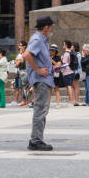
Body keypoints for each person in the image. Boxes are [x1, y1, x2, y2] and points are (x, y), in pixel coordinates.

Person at [23, 15, 56, 151]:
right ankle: (36, 140)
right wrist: (37, 69)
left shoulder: (41, 39)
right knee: (40, 109)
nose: (52, 28)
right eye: (51, 26)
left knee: (42, 109)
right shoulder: (37, 39)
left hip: (44, 79)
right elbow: (26, 54)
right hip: (41, 79)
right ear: (46, 27)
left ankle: (37, 139)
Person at [13, 41, 30, 106]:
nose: (19, 49)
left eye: (20, 48)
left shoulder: (22, 56)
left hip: (23, 72)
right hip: (26, 72)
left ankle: (25, 101)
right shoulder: (27, 55)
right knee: (25, 87)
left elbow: (16, 65)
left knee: (23, 87)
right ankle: (26, 101)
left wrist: (17, 61)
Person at [61, 40, 75, 105]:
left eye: (63, 44)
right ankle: (72, 100)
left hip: (67, 72)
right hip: (72, 71)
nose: (63, 45)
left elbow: (64, 63)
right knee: (70, 86)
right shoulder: (71, 52)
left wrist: (61, 58)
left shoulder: (66, 53)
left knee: (68, 86)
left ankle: (71, 101)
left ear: (66, 45)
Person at [50, 44, 63, 109]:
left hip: (55, 75)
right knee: (49, 90)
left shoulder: (58, 57)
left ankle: (58, 104)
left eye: (53, 50)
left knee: (56, 89)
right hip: (49, 75)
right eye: (51, 50)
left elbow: (59, 65)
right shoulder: (48, 56)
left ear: (55, 51)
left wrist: (51, 61)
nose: (51, 51)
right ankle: (48, 104)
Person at [71, 41, 82, 106]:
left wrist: (77, 71)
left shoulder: (78, 54)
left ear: (75, 47)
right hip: (73, 71)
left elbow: (79, 64)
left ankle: (77, 100)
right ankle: (73, 100)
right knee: (72, 86)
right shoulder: (73, 54)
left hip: (76, 72)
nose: (71, 47)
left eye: (72, 46)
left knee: (76, 86)